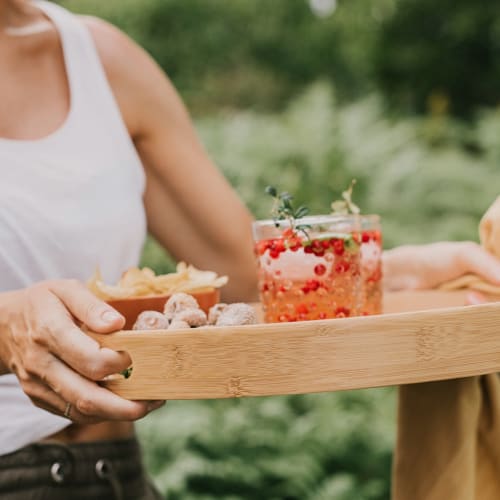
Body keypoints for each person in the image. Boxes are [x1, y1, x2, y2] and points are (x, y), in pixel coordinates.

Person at [1, 1, 500, 499]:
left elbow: (244, 279)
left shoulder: (100, 58)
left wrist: (380, 275)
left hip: (117, 474)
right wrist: (8, 327)